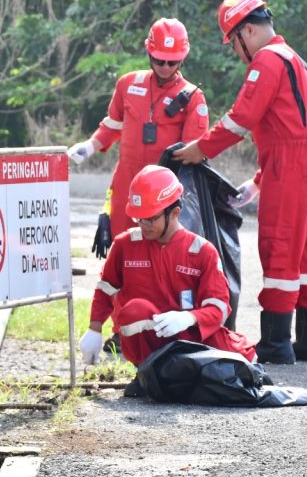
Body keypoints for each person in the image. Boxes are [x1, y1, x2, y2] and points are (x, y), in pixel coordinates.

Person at [173, 0, 307, 365]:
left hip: (294, 167)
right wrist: (261, 179)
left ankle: (277, 344)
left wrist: (201, 149)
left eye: (233, 42)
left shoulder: (266, 61)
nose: (235, 50)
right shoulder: (296, 59)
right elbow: (299, 127)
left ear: (247, 31)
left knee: (279, 248)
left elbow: (240, 118)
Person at [78, 166, 255, 396]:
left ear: (175, 212)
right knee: (134, 311)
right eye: (138, 218)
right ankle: (146, 376)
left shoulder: (202, 251)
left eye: (150, 219)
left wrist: (189, 318)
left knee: (240, 364)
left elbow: (219, 308)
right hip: (148, 343)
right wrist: (94, 329)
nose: (143, 225)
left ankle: (181, 377)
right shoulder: (124, 245)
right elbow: (105, 289)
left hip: (190, 339)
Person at [67, 17, 209, 259]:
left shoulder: (192, 98)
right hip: (126, 182)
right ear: (148, 52)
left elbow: (192, 153)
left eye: (172, 62)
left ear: (183, 58)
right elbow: (111, 127)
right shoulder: (128, 84)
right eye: (158, 60)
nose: (165, 66)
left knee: (158, 254)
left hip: (163, 190)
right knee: (122, 249)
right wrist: (90, 146)